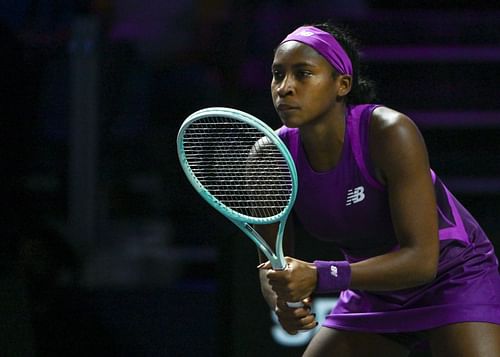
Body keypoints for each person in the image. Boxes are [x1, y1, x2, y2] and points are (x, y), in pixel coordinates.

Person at [257, 21, 500, 356]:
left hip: (453, 276)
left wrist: (320, 276)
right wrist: (282, 302)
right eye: (277, 74)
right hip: (374, 287)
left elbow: (421, 261)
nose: (284, 88)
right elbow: (270, 265)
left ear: (342, 84)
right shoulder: (270, 156)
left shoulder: (389, 132)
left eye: (303, 73)